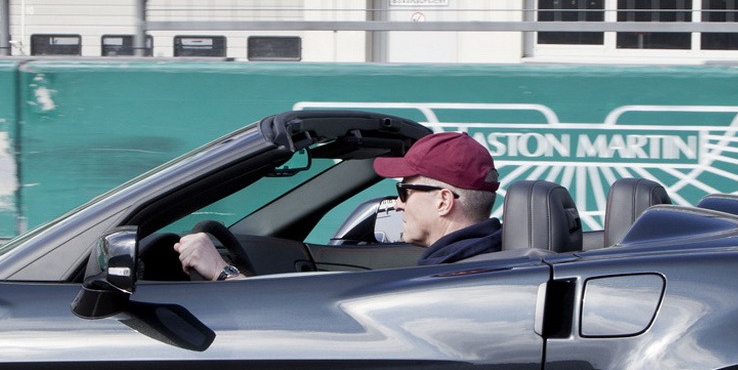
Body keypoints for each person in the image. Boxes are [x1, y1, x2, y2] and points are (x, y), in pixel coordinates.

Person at [176, 132, 503, 280]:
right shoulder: (485, 259)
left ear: (443, 200)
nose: (398, 205)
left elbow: (322, 340)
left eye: (404, 192)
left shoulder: (453, 278)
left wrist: (223, 273)